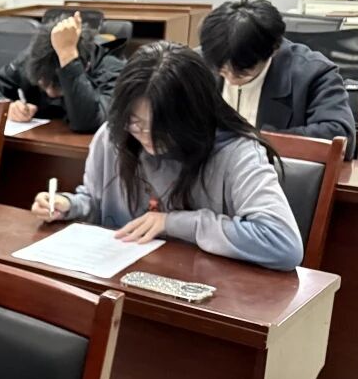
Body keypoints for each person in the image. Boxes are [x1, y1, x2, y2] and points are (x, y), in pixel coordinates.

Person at [31, 42, 304, 271]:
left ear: (195, 115)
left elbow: (282, 243)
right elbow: (96, 202)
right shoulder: (113, 136)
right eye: (136, 122)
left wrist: (174, 222)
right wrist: (70, 205)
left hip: (202, 291)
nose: (148, 137)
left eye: (164, 127)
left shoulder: (236, 152)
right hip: (123, 280)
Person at [198, 0, 355, 150]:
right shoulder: (198, 63)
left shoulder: (313, 74)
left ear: (274, 49)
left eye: (243, 73)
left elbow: (340, 136)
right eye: (222, 70)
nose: (231, 79)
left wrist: (260, 140)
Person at [0, 12, 123, 133]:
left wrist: (68, 57)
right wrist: (6, 107)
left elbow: (88, 122)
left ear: (85, 66)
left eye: (57, 86)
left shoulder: (111, 70)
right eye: (43, 84)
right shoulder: (33, 61)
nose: (50, 93)